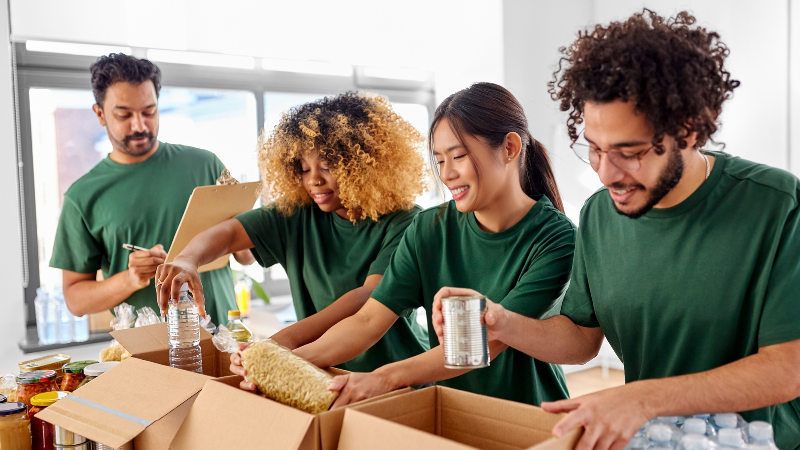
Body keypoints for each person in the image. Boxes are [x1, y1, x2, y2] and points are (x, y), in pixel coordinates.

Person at [432, 10, 800, 450]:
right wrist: (504, 323)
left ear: (689, 128)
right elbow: (583, 337)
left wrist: (642, 399)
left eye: (629, 151)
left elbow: (788, 367)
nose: (607, 173)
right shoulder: (600, 216)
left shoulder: (775, 204)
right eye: (593, 149)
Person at [287, 82, 575, 408]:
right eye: (439, 160)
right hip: (451, 412)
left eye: (459, 156)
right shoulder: (429, 227)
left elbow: (484, 342)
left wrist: (386, 377)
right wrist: (285, 358)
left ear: (509, 148)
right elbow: (368, 321)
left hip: (528, 415)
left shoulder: (556, 238)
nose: (447, 173)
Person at [155, 92, 431, 376]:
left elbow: (369, 297)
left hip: (394, 374)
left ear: (364, 165)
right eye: (304, 168)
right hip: (322, 370)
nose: (314, 180)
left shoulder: (405, 222)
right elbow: (228, 233)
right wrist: (188, 259)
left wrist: (281, 343)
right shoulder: (298, 213)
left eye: (327, 166)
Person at [50, 53, 253, 326]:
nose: (140, 125)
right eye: (124, 114)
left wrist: (237, 232)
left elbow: (247, 256)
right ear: (99, 114)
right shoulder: (83, 196)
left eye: (149, 111)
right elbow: (75, 300)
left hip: (222, 344)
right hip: (145, 356)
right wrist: (130, 279)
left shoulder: (206, 164)